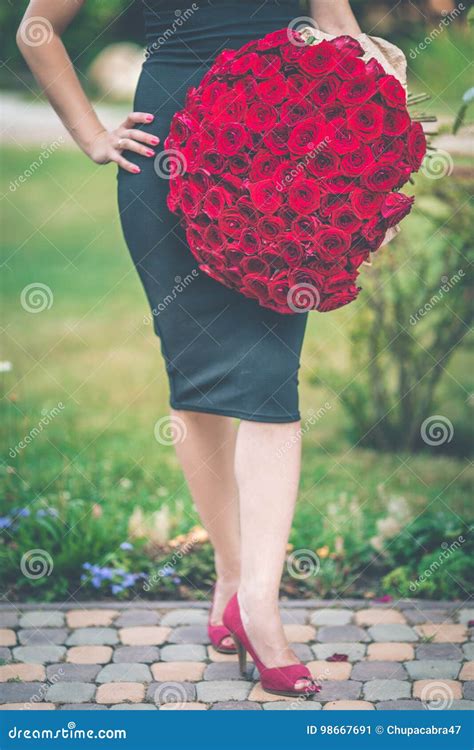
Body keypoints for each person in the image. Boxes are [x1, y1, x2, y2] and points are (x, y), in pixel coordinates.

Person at [18, 0, 362, 696]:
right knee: (199, 373)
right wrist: (89, 133)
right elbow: (37, 25)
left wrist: (373, 99)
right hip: (169, 155)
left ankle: (259, 607)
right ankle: (234, 577)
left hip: (285, 156)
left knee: (270, 381)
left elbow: (339, 27)